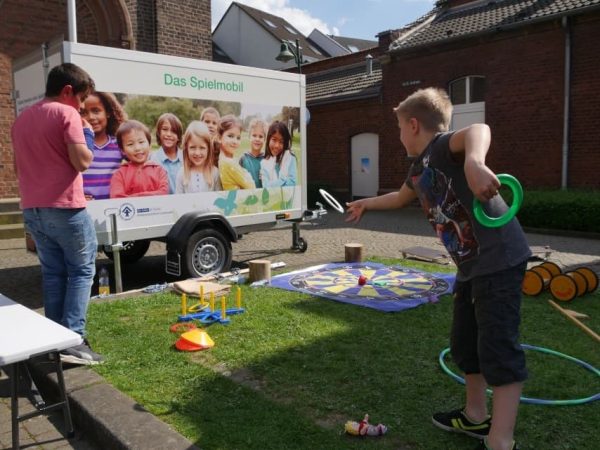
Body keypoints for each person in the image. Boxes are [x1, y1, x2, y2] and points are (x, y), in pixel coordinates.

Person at [346, 87, 530, 450]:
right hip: (470, 267)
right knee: (465, 343)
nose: (398, 135)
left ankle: (501, 440)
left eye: (398, 128)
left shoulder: (446, 147)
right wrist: (366, 202)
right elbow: (400, 197)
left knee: (499, 348)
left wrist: (474, 163)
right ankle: (476, 417)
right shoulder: (418, 168)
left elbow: (480, 129)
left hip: (499, 260)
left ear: (413, 125)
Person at [11, 62, 103, 365]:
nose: (80, 106)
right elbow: (83, 163)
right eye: (80, 99)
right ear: (67, 91)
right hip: (65, 208)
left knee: (53, 274)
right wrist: (88, 135)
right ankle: (73, 340)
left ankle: (52, 340)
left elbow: (20, 167)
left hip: (33, 208)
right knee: (81, 271)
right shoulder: (67, 114)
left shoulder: (21, 120)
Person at [81, 91, 127, 200]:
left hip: (112, 207)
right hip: (85, 208)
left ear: (108, 112)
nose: (91, 117)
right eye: (83, 113)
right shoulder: (77, 146)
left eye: (96, 111)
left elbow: (138, 164)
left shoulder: (119, 144)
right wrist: (76, 196)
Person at [110, 120, 169, 198]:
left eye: (141, 142)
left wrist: (133, 197)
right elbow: (116, 197)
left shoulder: (160, 171)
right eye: (130, 144)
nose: (137, 148)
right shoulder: (119, 174)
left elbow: (163, 193)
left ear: (149, 144)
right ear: (123, 150)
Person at [176, 121, 221, 193]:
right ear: (186, 148)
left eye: (202, 148)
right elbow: (178, 200)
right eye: (192, 147)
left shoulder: (215, 173)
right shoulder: (181, 174)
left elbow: (220, 198)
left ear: (208, 149)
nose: (197, 153)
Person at [215, 115, 255, 190]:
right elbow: (251, 186)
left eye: (238, 138)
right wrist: (246, 172)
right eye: (230, 136)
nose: (235, 141)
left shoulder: (224, 160)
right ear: (219, 138)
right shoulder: (228, 163)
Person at [149, 112, 183, 194]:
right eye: (165, 129)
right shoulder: (152, 159)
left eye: (173, 131)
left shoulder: (186, 158)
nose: (169, 134)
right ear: (158, 133)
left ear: (178, 136)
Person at [260, 121, 297, 187]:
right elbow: (266, 186)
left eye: (281, 142)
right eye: (274, 140)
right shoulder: (264, 163)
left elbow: (292, 183)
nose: (277, 145)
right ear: (268, 139)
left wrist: (273, 184)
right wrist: (283, 180)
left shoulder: (290, 157)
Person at [239, 118, 267, 188]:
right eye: (254, 135)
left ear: (265, 139)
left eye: (260, 136)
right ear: (249, 137)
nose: (257, 139)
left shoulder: (267, 159)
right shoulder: (243, 158)